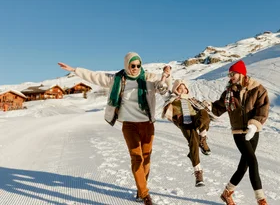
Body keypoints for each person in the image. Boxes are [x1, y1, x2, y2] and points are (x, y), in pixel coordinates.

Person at [58, 52, 171, 205]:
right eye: (133, 65)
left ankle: (140, 188)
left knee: (147, 158)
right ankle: (145, 195)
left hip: (147, 124)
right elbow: (94, 76)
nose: (136, 68)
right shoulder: (117, 79)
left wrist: (165, 76)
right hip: (129, 125)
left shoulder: (148, 77)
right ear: (127, 65)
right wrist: (75, 70)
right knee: (137, 158)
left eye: (138, 65)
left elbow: (162, 87)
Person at [210, 60, 270, 205]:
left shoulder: (258, 89)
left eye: (233, 74)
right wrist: (206, 106)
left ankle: (227, 193)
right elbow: (217, 109)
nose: (230, 77)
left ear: (241, 73)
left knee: (244, 165)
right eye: (229, 74)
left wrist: (255, 125)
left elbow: (263, 108)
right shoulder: (229, 93)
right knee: (253, 162)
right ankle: (261, 199)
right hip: (238, 132)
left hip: (253, 131)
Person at [162, 79, 212, 187]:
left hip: (194, 118)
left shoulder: (191, 99)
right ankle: (198, 173)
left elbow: (202, 107)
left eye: (185, 88)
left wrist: (207, 104)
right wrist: (166, 76)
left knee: (203, 112)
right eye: (180, 88)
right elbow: (163, 88)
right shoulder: (172, 98)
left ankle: (202, 139)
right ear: (176, 89)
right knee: (193, 141)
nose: (183, 90)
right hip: (183, 120)